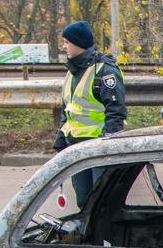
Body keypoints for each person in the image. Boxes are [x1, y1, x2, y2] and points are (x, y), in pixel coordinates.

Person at [53, 20, 126, 205]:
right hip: (76, 146)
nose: (64, 46)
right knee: (83, 202)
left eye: (67, 42)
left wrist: (107, 143)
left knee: (101, 203)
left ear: (78, 43)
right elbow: (68, 108)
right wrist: (61, 137)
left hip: (97, 146)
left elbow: (116, 111)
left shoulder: (104, 71)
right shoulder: (72, 71)